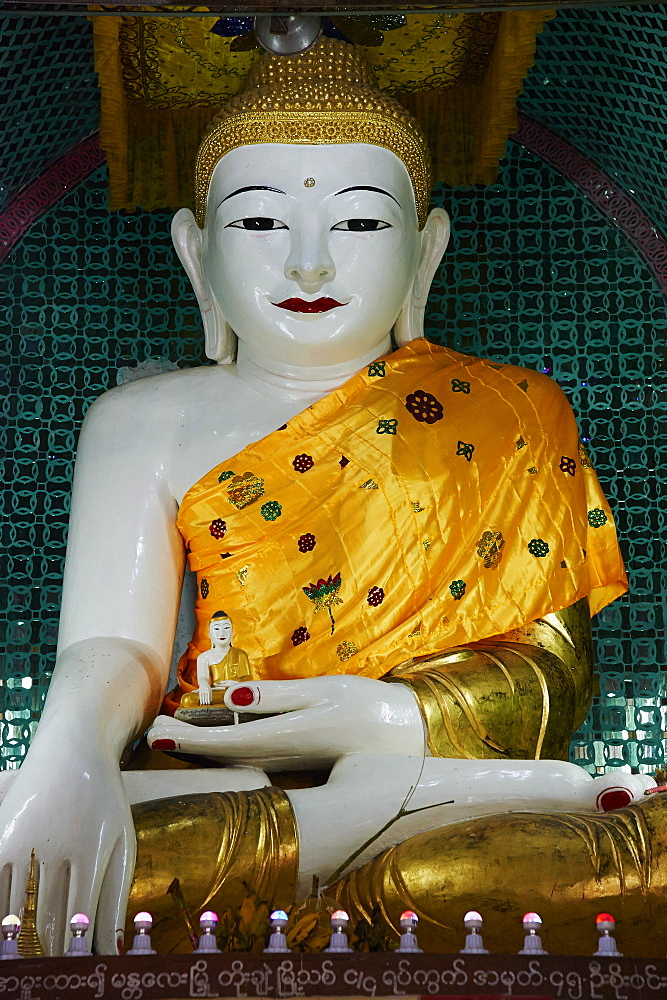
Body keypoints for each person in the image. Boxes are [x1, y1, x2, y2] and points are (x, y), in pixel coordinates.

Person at [0, 39, 657, 958]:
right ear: (196, 252)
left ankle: (373, 810)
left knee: (521, 872)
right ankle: (358, 817)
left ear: (424, 250)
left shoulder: (513, 408)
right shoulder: (139, 422)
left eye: (357, 226)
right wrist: (65, 755)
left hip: (454, 797)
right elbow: (114, 646)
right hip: (212, 778)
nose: (309, 266)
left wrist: (383, 717)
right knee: (46, 865)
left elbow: (552, 678)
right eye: (262, 225)